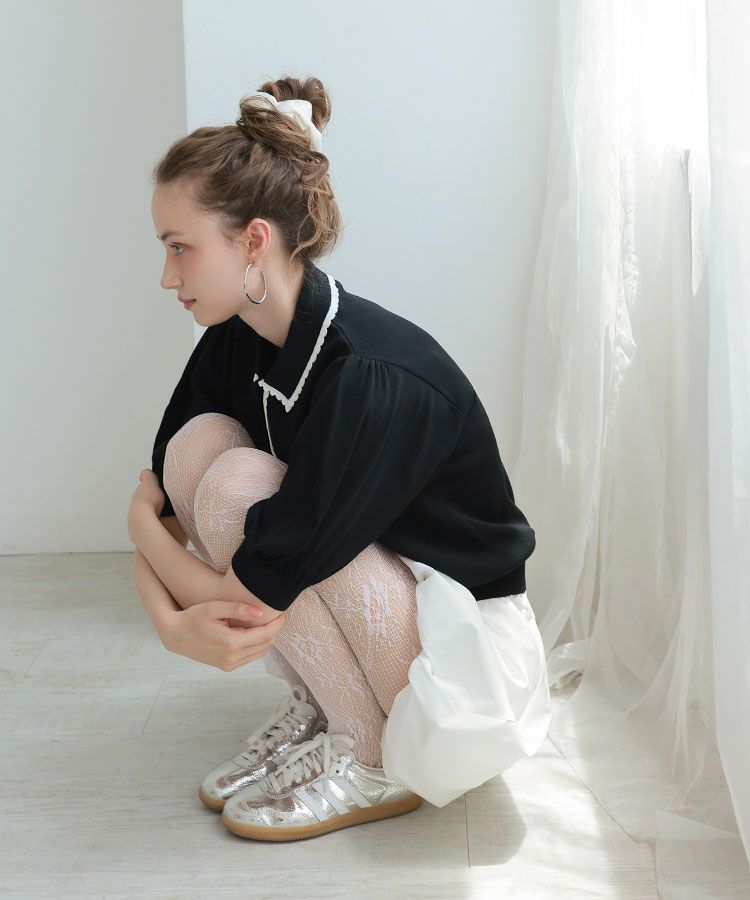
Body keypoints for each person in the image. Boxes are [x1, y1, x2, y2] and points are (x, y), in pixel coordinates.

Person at [127, 75, 545, 843]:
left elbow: (246, 591)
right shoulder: (239, 334)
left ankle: (376, 755)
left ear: (254, 241)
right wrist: (165, 590)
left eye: (180, 248)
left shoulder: (369, 375)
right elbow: (165, 491)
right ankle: (327, 707)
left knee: (241, 484)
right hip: (382, 600)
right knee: (199, 454)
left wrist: (149, 560)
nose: (167, 275)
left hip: (461, 663)